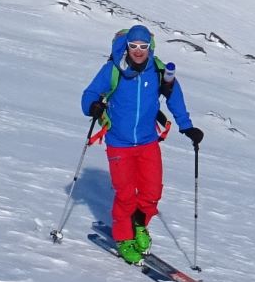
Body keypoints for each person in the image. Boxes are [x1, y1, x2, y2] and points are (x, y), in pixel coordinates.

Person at [79, 25, 201, 264]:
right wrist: (93, 106)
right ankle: (124, 239)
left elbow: (174, 97)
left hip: (148, 142)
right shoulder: (112, 69)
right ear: (127, 46)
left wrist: (187, 126)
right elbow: (89, 94)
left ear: (150, 48)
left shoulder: (158, 71)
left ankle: (139, 224)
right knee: (126, 195)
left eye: (143, 46)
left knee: (152, 193)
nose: (138, 51)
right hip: (119, 143)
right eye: (133, 46)